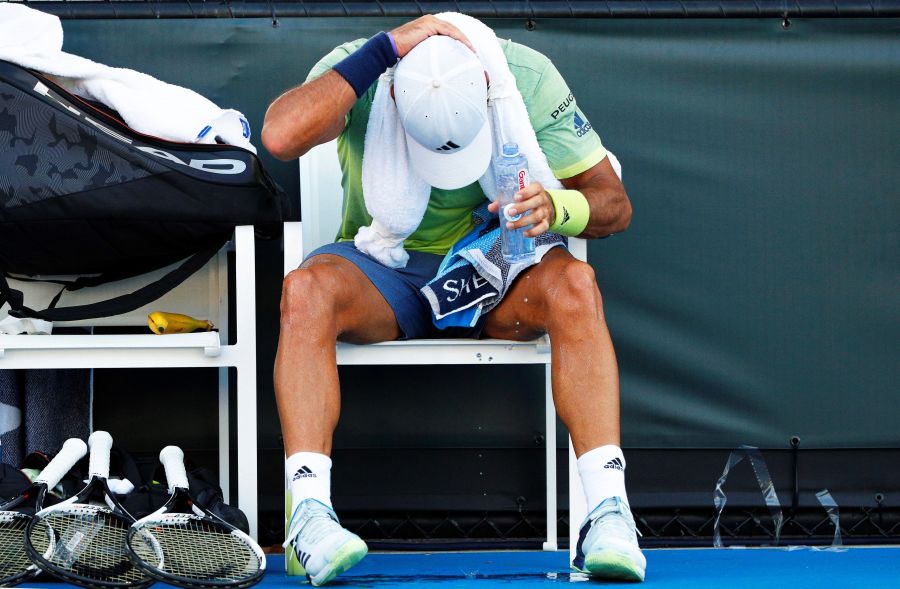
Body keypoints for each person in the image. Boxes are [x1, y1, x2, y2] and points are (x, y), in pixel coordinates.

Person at [262, 14, 644, 586]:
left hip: (500, 269)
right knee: (305, 291)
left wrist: (557, 208)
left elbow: (614, 203)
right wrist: (381, 54)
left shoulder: (526, 76)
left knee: (575, 286)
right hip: (386, 271)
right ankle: (308, 519)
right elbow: (279, 136)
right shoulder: (365, 64)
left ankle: (610, 515)